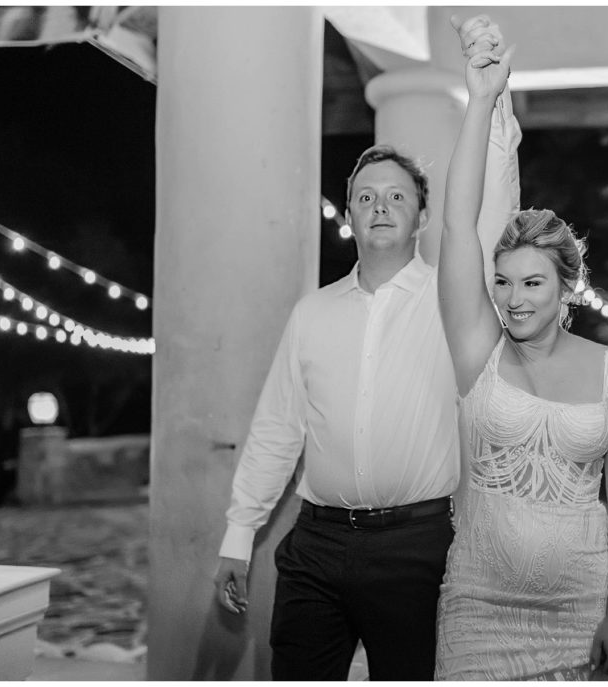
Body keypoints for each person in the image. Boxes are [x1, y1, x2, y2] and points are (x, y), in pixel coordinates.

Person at [210, 23, 520, 680]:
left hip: (419, 547)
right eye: (366, 197)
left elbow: (492, 214)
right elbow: (276, 430)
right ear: (349, 213)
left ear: (422, 217)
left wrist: (491, 101)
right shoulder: (312, 313)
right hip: (315, 545)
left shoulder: (451, 300)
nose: (381, 206)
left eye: (397, 196)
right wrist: (240, 536)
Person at [433, 17, 608, 681]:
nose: (514, 297)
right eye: (502, 282)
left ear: (567, 290)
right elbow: (457, 222)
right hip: (476, 610)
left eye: (532, 282)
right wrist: (480, 101)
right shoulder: (479, 352)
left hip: (582, 616)